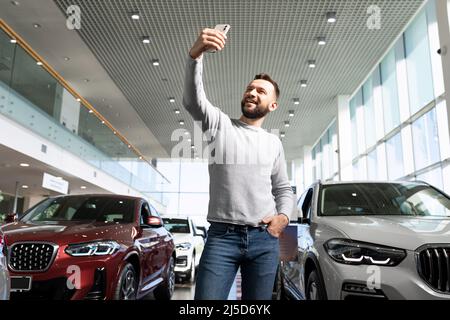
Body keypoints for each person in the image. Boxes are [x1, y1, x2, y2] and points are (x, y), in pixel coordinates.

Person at [183, 27, 294, 300]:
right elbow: (193, 100)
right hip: (222, 237)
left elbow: (283, 189)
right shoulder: (220, 125)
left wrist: (283, 218)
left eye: (261, 91)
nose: (253, 92)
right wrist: (195, 55)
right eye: (250, 88)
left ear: (273, 105)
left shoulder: (273, 144)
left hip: (264, 238)